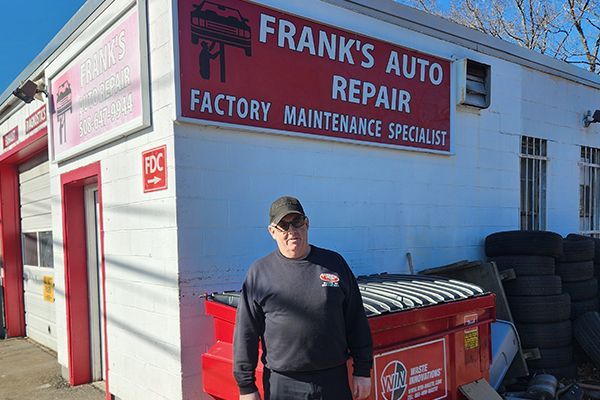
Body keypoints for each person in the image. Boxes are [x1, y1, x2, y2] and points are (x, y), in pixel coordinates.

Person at [233, 196, 373, 400]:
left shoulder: (334, 264)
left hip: (333, 380)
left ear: (307, 224)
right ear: (272, 232)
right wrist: (246, 386)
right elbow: (246, 333)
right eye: (283, 225)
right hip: (283, 384)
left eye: (297, 222)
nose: (292, 231)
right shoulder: (259, 273)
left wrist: (362, 370)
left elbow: (356, 320)